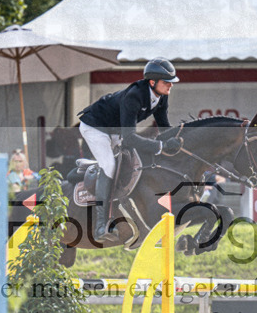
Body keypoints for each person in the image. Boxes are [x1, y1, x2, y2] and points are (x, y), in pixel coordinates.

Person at [77, 57, 183, 240]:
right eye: (167, 82)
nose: (170, 86)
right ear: (152, 82)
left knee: (130, 161)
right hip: (95, 127)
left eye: (171, 82)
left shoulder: (161, 97)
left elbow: (164, 126)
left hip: (115, 130)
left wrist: (178, 140)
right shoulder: (134, 96)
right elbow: (130, 137)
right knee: (109, 166)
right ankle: (101, 226)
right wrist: (160, 146)